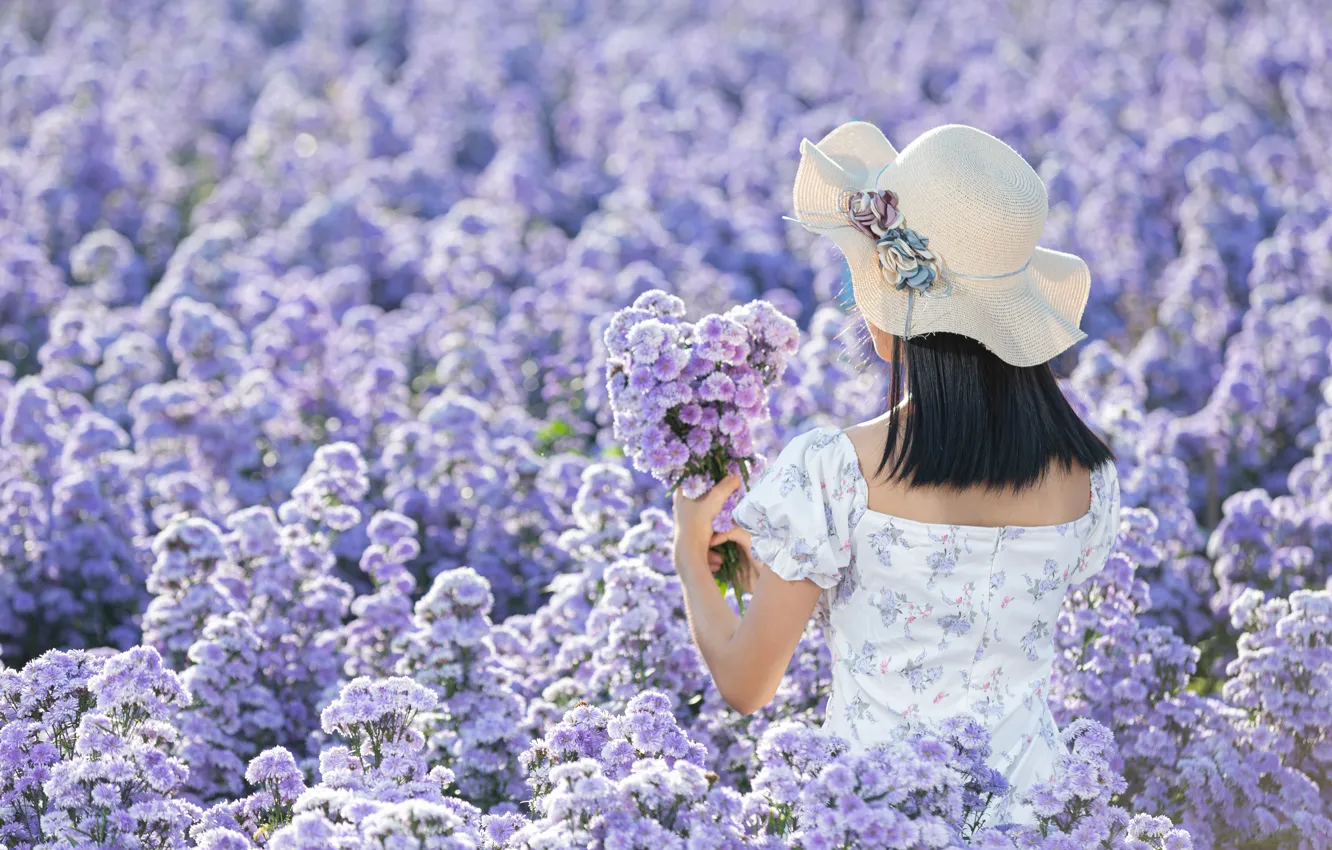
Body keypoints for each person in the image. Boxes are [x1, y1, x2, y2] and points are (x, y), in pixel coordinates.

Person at [669, 121, 1121, 826]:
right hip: (1039, 823)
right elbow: (969, 597)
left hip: (878, 819)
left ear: (891, 293)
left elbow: (746, 683)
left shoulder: (836, 473)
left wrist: (692, 562)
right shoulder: (1088, 481)